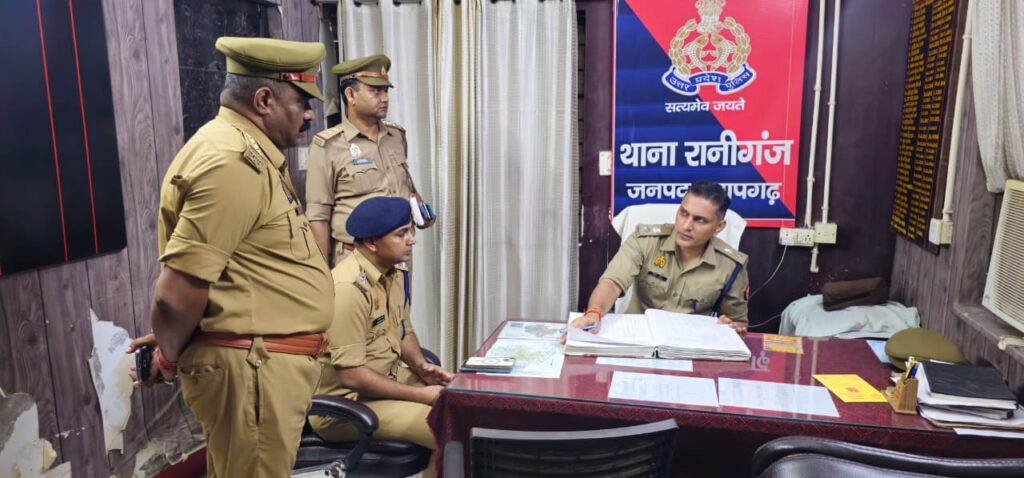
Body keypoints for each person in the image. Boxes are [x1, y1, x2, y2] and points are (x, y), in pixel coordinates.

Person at [128, 37, 334, 477]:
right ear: (264, 100)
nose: (310, 114)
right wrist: (168, 356)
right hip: (254, 375)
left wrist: (175, 345)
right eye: (302, 102)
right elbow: (175, 296)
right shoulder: (230, 162)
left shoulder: (247, 153)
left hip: (261, 370)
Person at [310, 196, 451, 478]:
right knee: (448, 431)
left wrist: (421, 367)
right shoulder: (348, 289)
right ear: (372, 243)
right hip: (345, 407)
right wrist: (419, 395)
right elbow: (351, 375)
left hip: (384, 380)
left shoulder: (394, 274)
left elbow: (403, 330)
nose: (412, 240)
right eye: (401, 234)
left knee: (460, 405)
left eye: (410, 231)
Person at [570, 180, 749, 334]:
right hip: (638, 339)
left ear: (719, 227)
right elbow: (612, 282)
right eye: (683, 213)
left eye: (699, 220)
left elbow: (738, 324)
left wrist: (732, 327)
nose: (686, 226)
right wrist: (594, 313)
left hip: (688, 347)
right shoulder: (645, 241)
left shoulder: (731, 266)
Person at [305, 54, 433, 266]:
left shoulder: (396, 136)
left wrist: (421, 212)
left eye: (385, 91)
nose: (385, 98)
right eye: (375, 91)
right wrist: (321, 274)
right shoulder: (328, 146)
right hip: (357, 259)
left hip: (398, 258)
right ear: (351, 95)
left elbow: (406, 187)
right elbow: (318, 216)